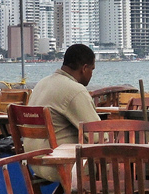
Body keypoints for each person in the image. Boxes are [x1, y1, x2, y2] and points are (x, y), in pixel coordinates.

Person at [24, 43, 100, 181]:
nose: (91, 74)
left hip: (34, 163)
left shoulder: (42, 83)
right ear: (84, 68)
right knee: (117, 166)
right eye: (92, 69)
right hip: (59, 165)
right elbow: (97, 136)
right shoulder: (75, 90)